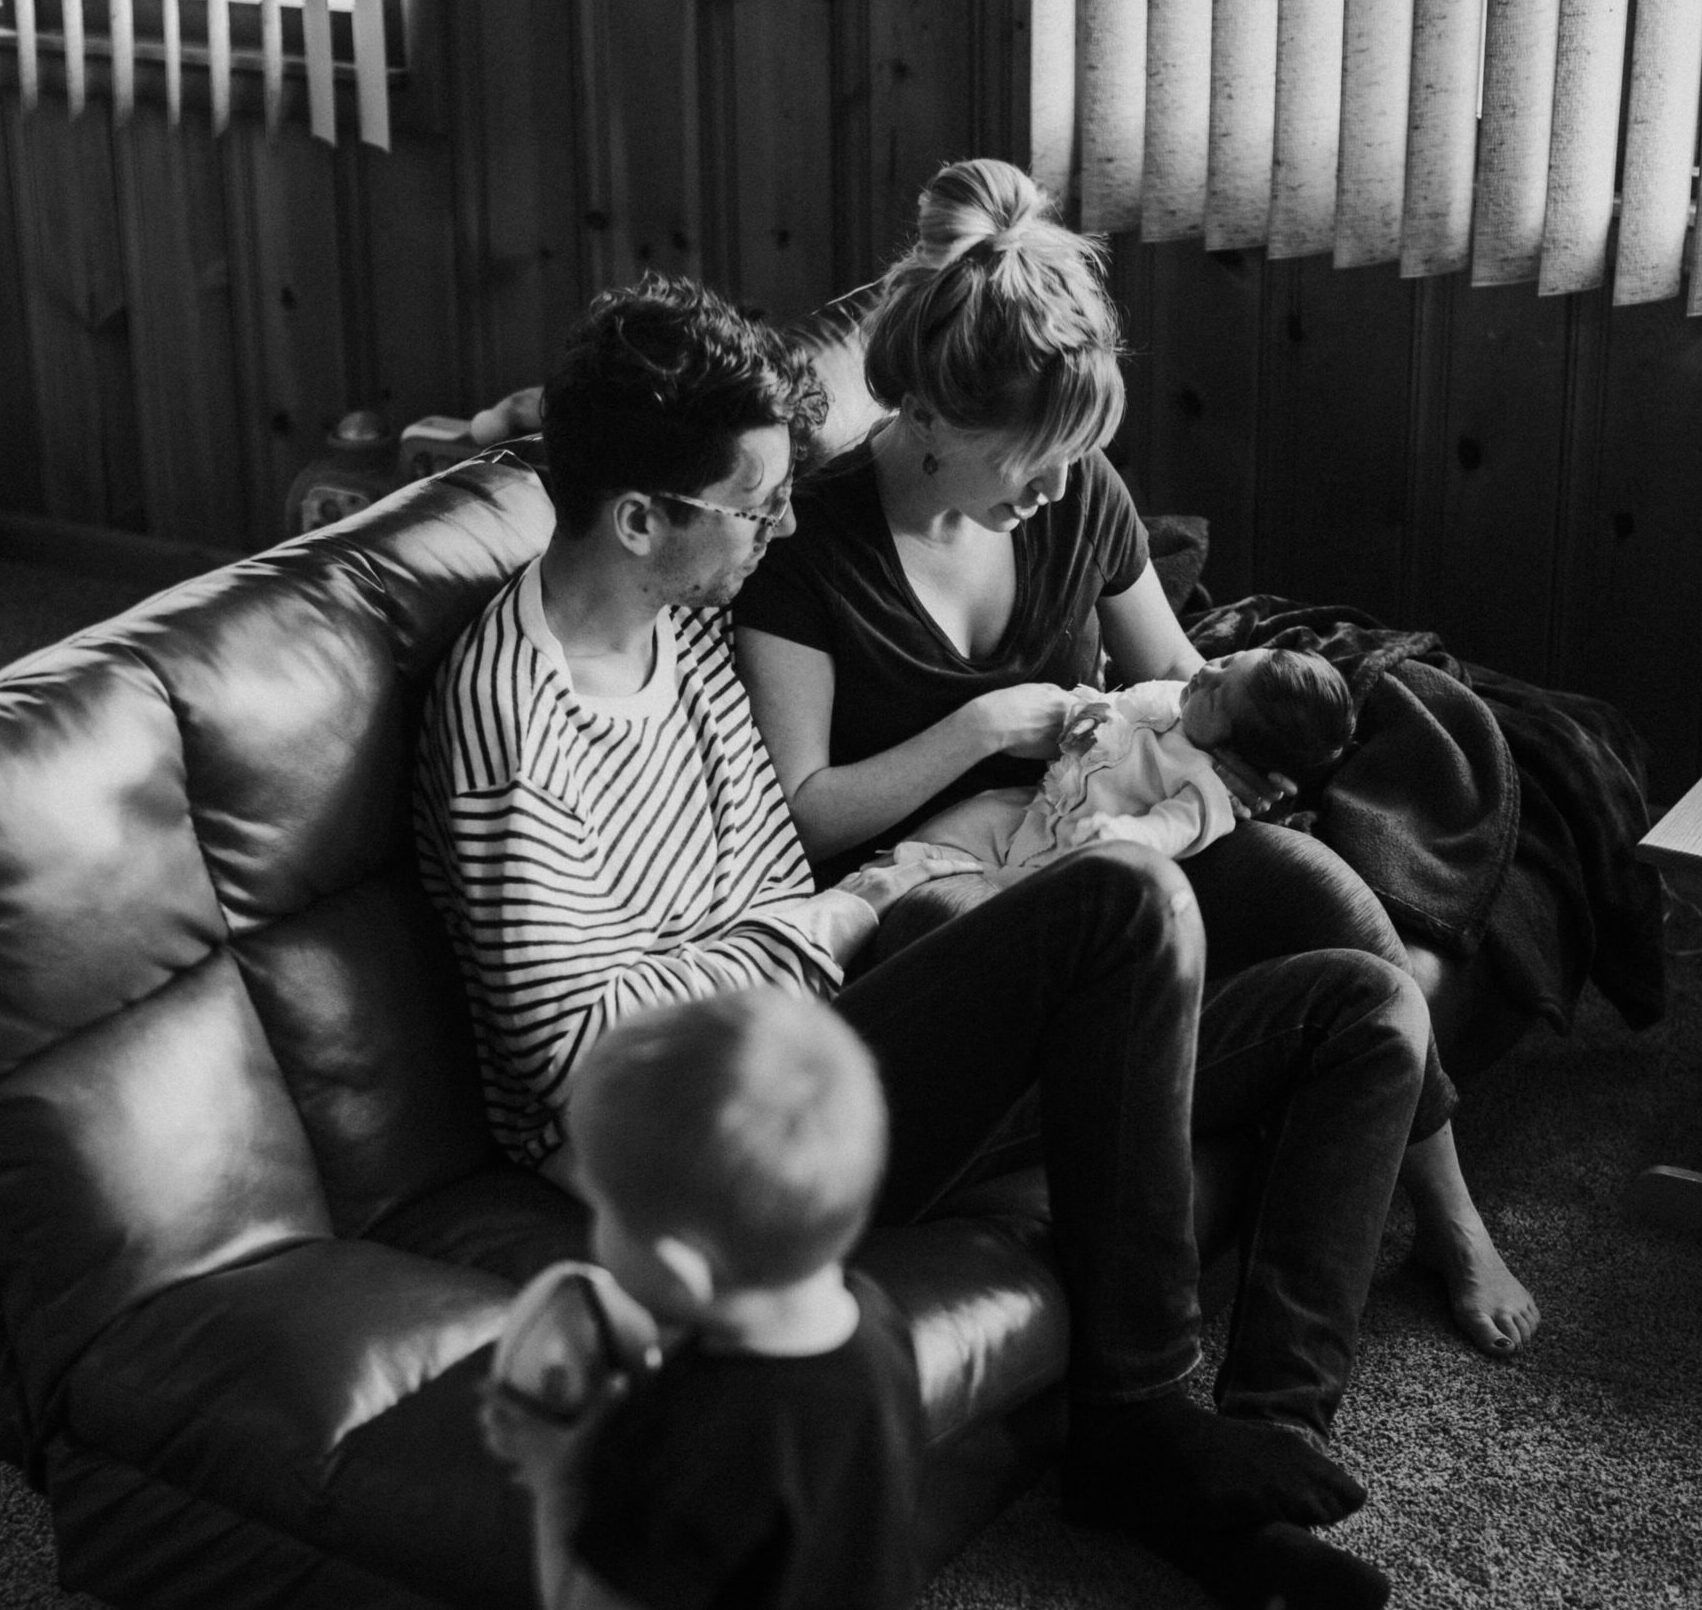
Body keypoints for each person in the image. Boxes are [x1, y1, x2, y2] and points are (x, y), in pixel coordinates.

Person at [417, 269, 1429, 1609]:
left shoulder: (686, 623)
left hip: (815, 1039)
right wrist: (837, 913)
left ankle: (1255, 1467)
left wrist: (855, 906)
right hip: (704, 1145)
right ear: (641, 516)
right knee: (1122, 902)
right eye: (755, 504)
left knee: (1363, 1008)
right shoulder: (515, 724)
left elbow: (768, 879)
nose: (783, 524)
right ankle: (1135, 1420)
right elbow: (582, 1064)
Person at [732, 156, 1540, 1360]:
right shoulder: (809, 554)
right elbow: (805, 814)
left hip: (1110, 812)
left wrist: (1229, 750)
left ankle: (1448, 1210)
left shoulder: (1076, 496)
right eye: (1035, 458)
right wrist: (977, 728)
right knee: (980, 913)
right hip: (954, 888)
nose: (1059, 487)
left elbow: (1170, 674)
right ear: (932, 420)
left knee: (1315, 886)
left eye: (1077, 456)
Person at [480, 989, 925, 1610]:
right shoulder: (879, 1321)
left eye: (604, 1208)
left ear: (679, 1271)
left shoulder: (681, 1443)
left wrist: (555, 1474)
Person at [896, 647, 1354, 876]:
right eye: (1226, 660)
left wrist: (1121, 837)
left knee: (961, 887)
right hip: (1036, 808)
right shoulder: (1171, 702)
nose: (1206, 672)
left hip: (1065, 859)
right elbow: (1117, 709)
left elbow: (1167, 831)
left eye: (1218, 695)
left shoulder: (1206, 790)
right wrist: (1079, 712)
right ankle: (869, 889)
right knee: (940, 836)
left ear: (1235, 753)